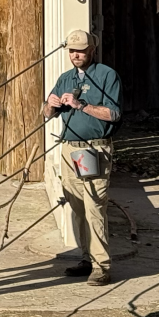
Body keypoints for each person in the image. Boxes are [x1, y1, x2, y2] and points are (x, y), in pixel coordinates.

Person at [42, 29, 121, 287]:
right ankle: (87, 259)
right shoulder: (65, 78)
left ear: (92, 50)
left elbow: (113, 114)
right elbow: (46, 113)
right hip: (69, 149)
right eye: (72, 51)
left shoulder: (107, 75)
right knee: (76, 206)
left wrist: (82, 106)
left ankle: (102, 267)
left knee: (94, 207)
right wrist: (51, 105)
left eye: (81, 50)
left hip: (94, 149)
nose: (76, 55)